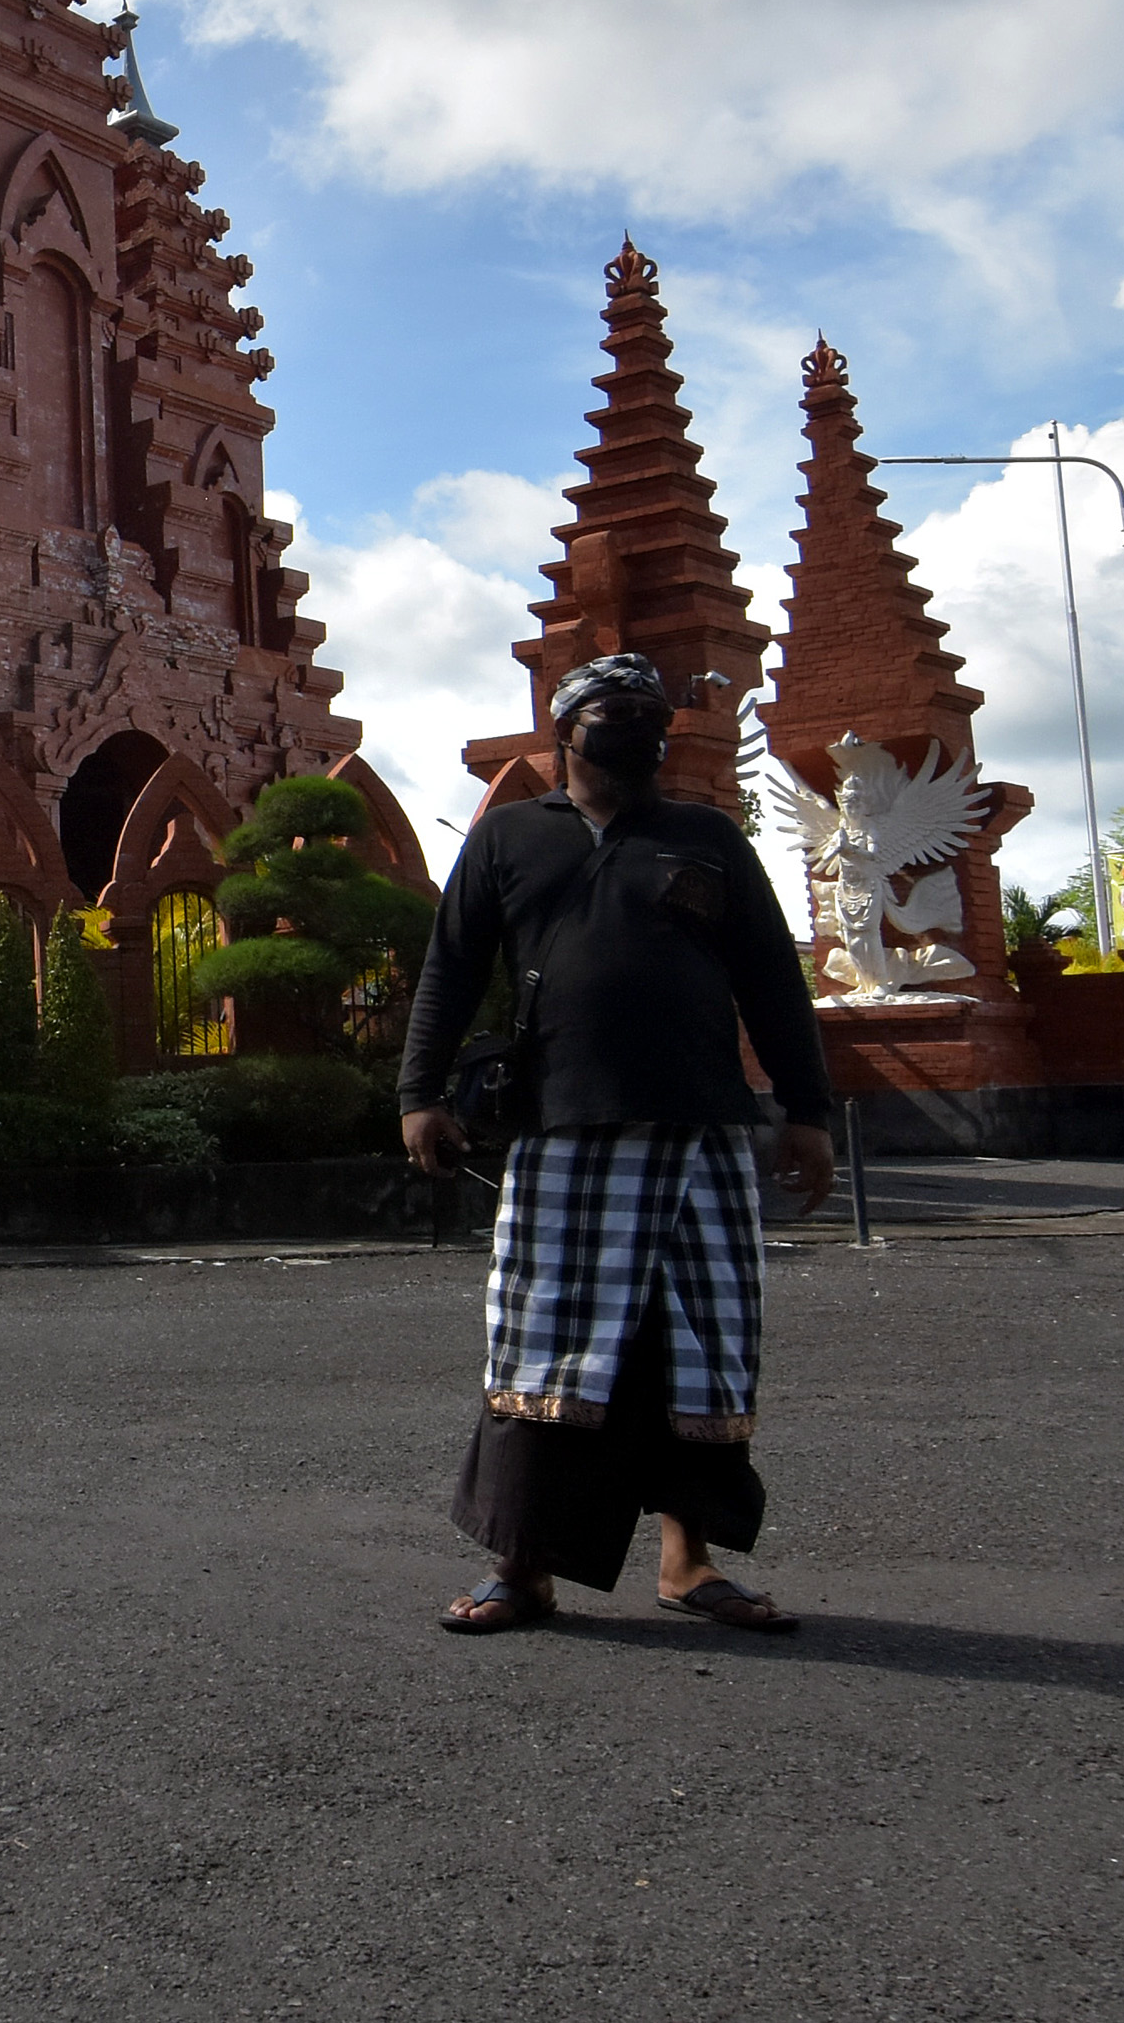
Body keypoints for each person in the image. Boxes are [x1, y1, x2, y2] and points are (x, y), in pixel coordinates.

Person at [398, 652, 836, 1635]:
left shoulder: (705, 836)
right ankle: (523, 1568)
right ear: (564, 728)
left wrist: (805, 1109)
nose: (633, 723)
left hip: (701, 1131)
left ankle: (690, 1563)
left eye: (648, 709)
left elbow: (772, 980)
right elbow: (451, 970)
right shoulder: (510, 838)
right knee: (542, 1344)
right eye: (609, 710)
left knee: (699, 1345)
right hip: (564, 1130)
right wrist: (417, 1094)